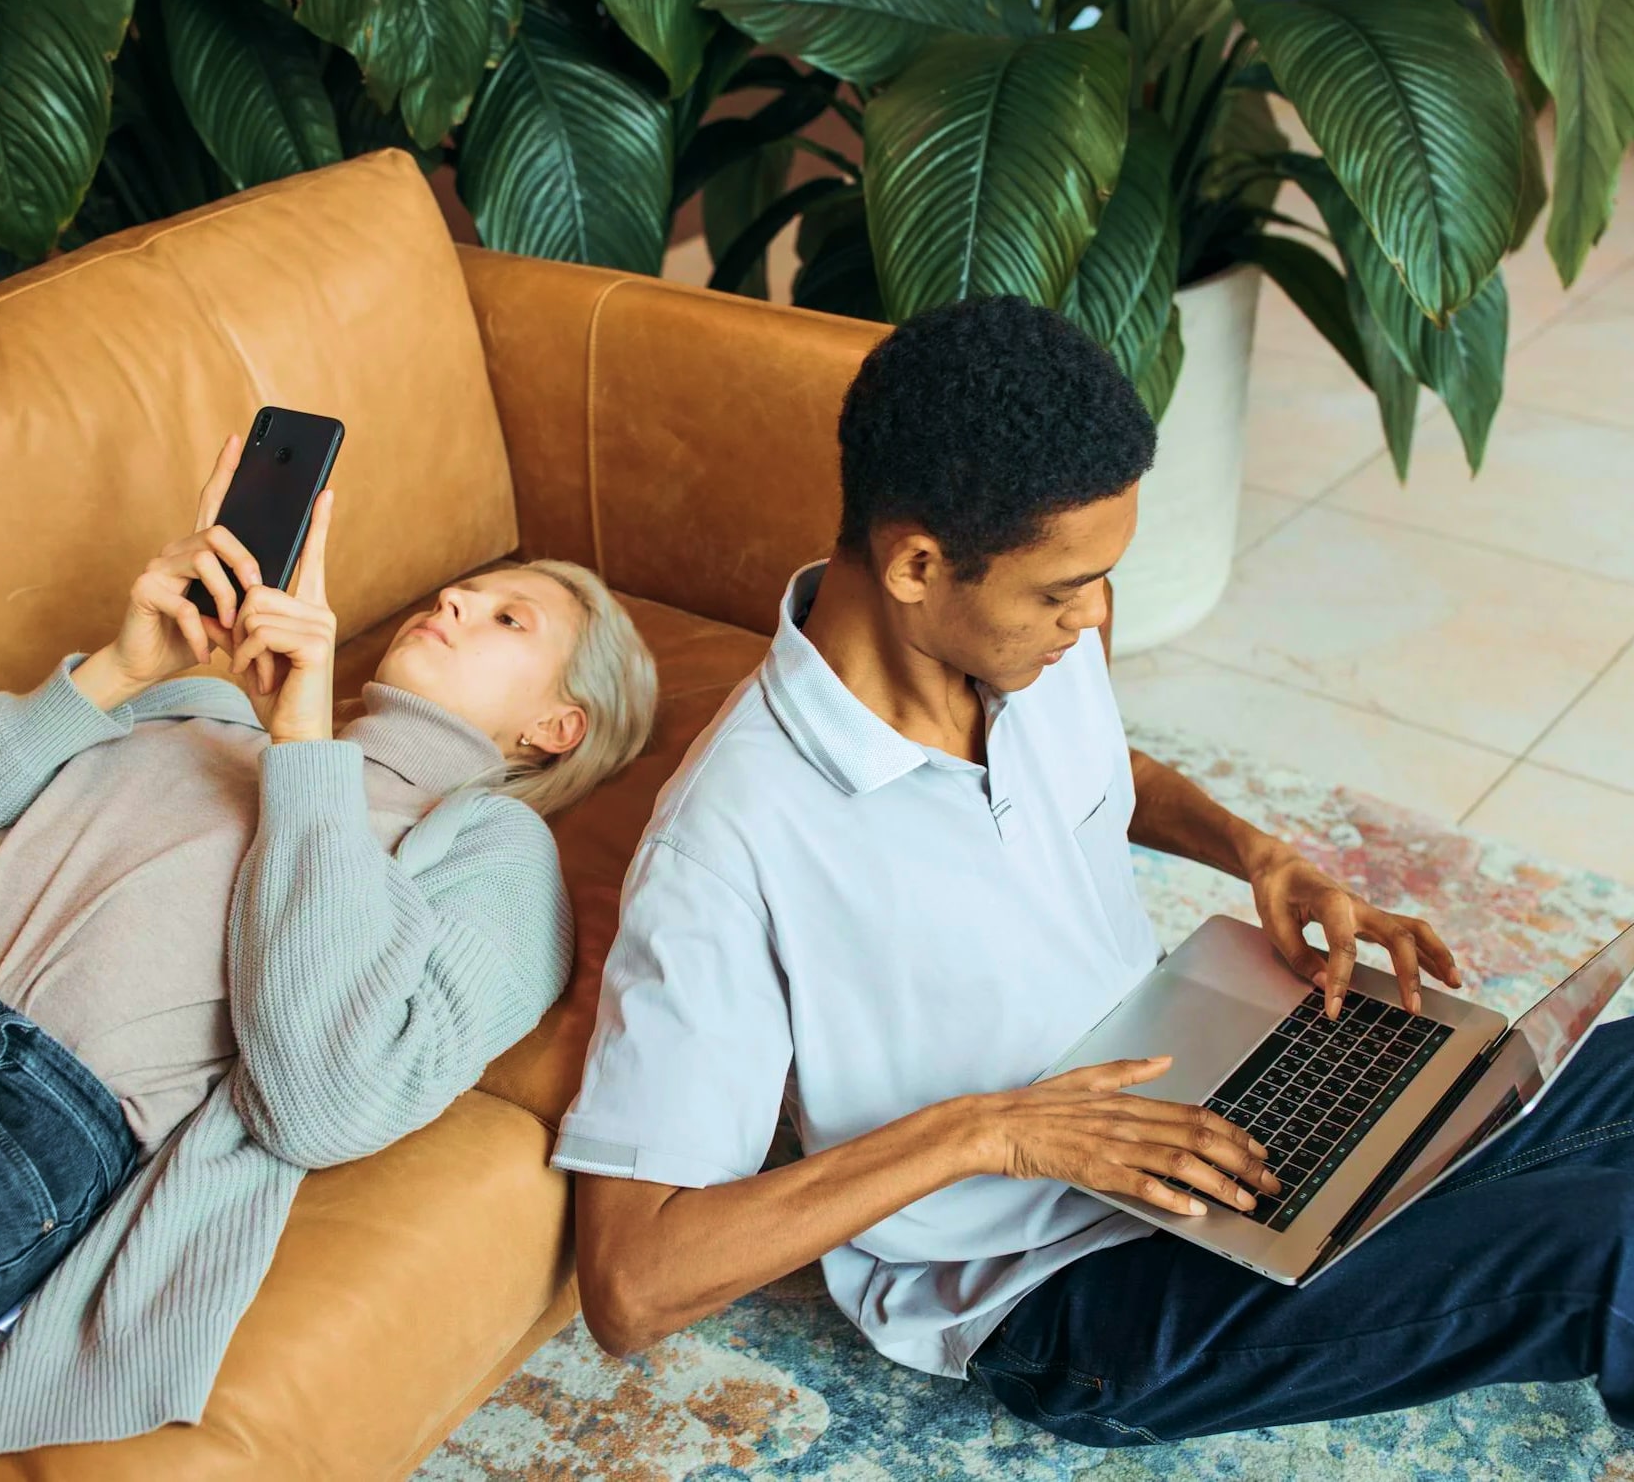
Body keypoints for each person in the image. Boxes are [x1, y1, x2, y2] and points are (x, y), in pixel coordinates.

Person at [554, 294, 1634, 1446]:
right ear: (916, 563)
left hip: (1198, 1107)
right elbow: (632, 1283)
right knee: (1609, 1250)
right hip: (1056, 1293)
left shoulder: (1018, 652)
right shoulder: (728, 841)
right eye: (1062, 589)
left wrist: (1251, 851)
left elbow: (1098, 763)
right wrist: (994, 1132)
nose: (1095, 619)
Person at [0, 434, 657, 1465]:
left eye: (505, 618)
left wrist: (309, 747)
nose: (450, 606)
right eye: (463, 591)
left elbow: (326, 1098)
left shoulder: (495, 853)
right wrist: (117, 674)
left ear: (554, 728)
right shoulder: (189, 709)